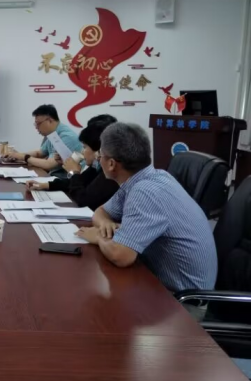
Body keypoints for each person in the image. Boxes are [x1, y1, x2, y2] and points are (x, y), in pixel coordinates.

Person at [76, 123, 218, 292]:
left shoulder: (145, 192)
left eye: (101, 155)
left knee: (89, 289)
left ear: (111, 164)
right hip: (157, 279)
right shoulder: (148, 178)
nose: (99, 159)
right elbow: (101, 212)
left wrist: (99, 237)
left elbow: (121, 256)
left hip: (182, 298)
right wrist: (106, 224)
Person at [26, 117, 119, 210]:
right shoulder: (96, 166)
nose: (82, 151)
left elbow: (84, 201)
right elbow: (79, 181)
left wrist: (74, 173)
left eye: (85, 147)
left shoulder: (109, 173)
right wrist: (45, 185)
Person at [5, 104, 82, 177]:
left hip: (65, 180)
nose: (36, 127)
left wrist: (25, 157)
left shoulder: (67, 137)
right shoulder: (53, 134)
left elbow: (48, 164)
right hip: (53, 176)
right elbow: (39, 153)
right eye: (35, 124)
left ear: (50, 121)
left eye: (38, 124)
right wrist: (17, 155)